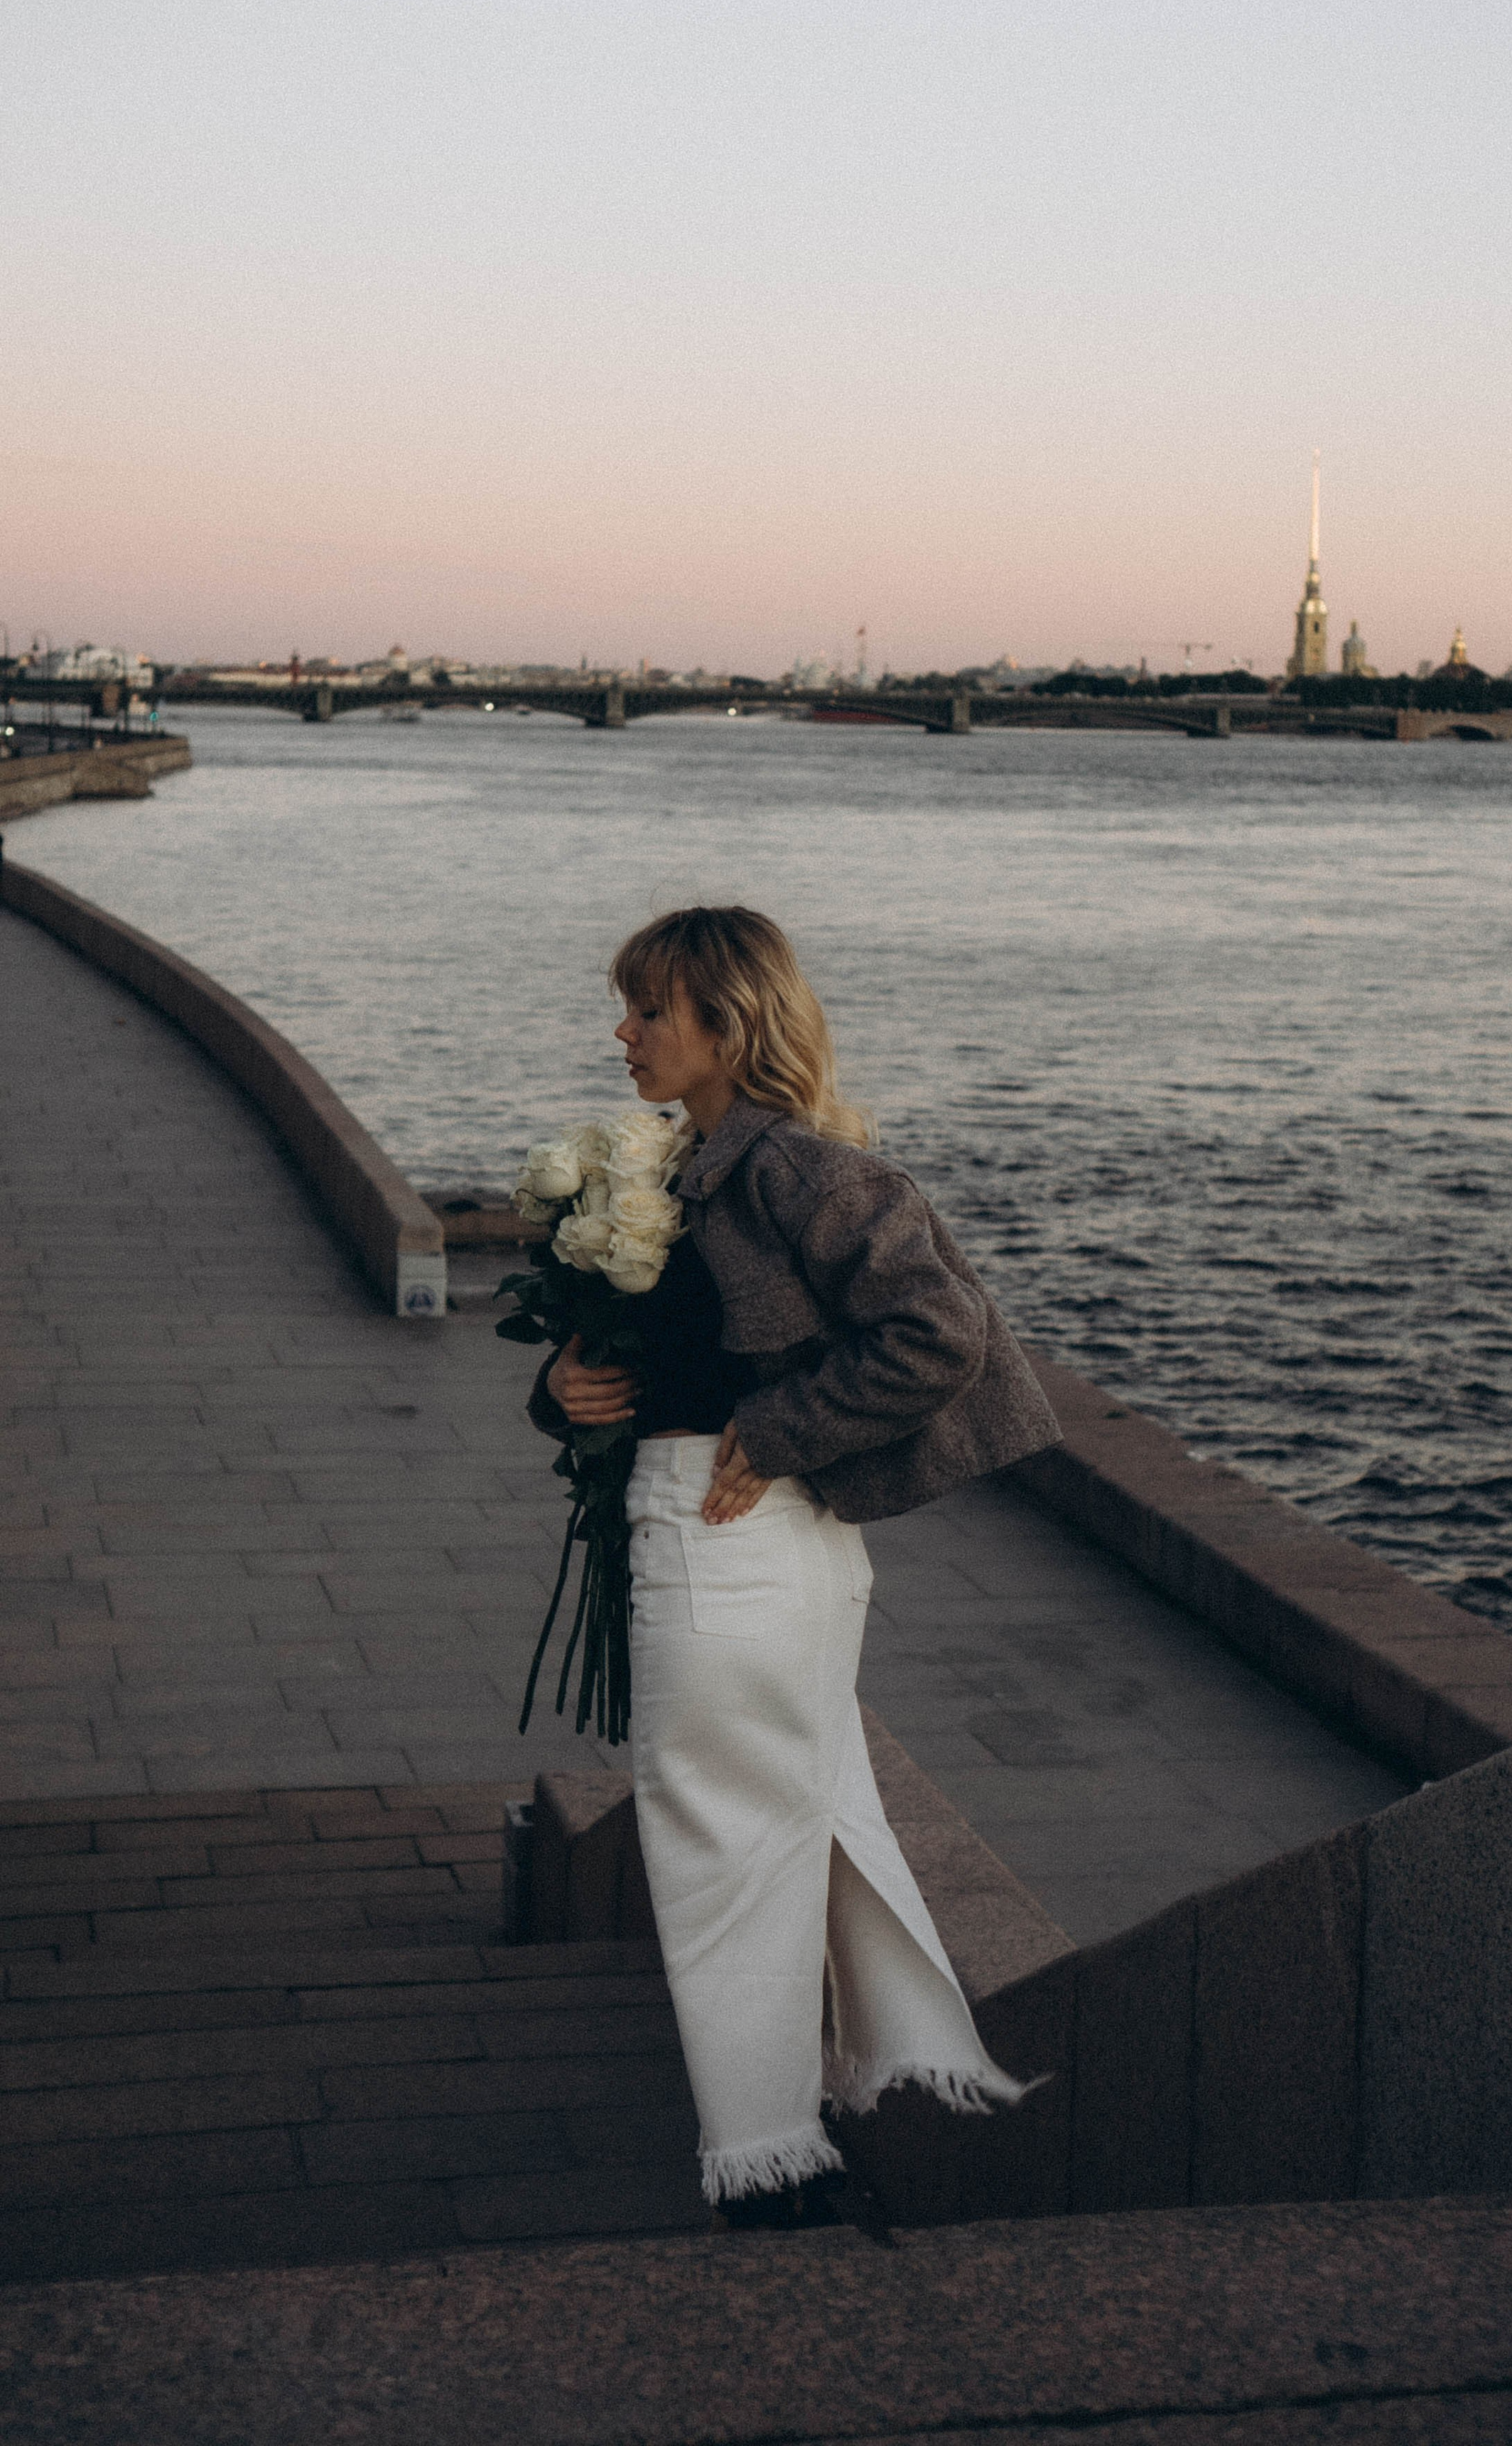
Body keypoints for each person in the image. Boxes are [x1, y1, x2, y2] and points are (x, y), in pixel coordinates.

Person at [531, 903, 1059, 2229]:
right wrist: (564, 1387)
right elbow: (659, 1366)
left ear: (727, 1022)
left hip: (734, 1556)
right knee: (800, 1815)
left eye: (650, 1009)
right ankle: (860, 2081)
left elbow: (943, 1329)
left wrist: (776, 1432)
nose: (625, 1032)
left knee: (718, 1837)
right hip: (745, 1551)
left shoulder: (792, 1169)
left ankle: (765, 2155)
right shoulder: (691, 1164)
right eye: (628, 1005)